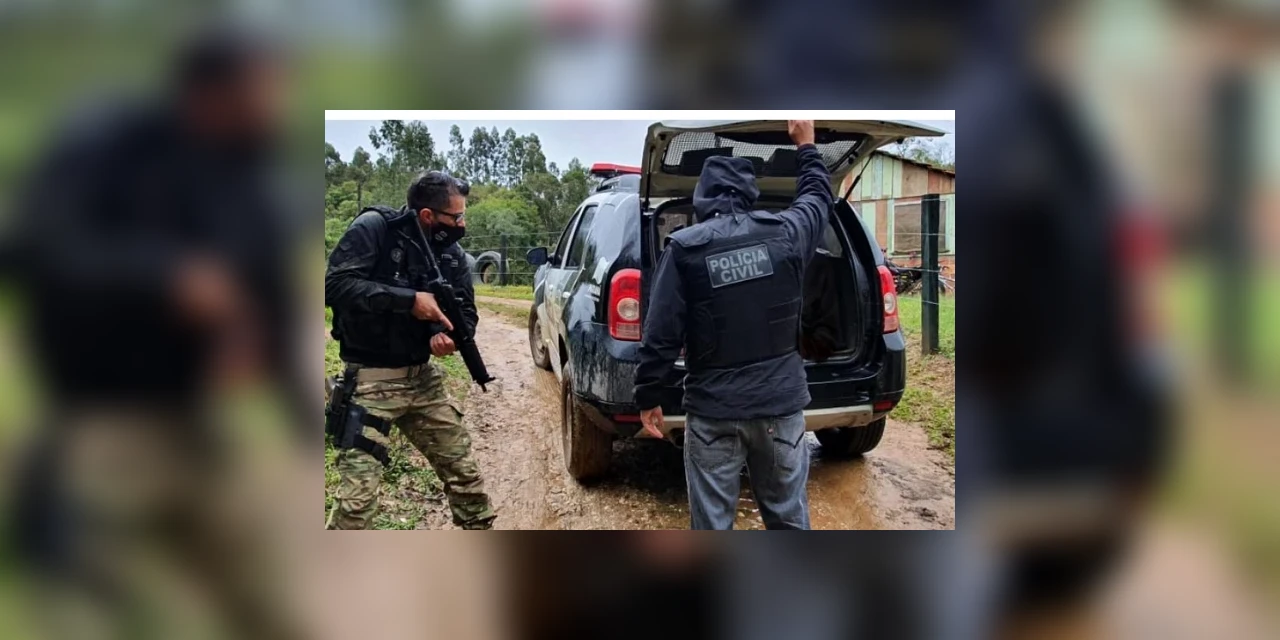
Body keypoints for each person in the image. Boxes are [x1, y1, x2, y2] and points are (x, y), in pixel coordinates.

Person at [634, 120, 830, 530]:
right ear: (750, 192)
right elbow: (816, 197)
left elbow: (661, 333)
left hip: (713, 412)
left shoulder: (684, 249)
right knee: (789, 520)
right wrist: (807, 146)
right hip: (780, 408)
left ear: (702, 196)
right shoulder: (787, 234)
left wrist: (649, 394)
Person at [324, 170, 496, 530]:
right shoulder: (376, 229)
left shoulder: (452, 255)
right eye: (456, 217)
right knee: (356, 504)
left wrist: (447, 336)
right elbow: (336, 286)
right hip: (370, 382)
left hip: (422, 380)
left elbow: (465, 313)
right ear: (428, 215)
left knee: (467, 480)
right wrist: (408, 301)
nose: (462, 224)